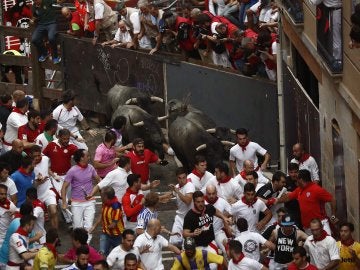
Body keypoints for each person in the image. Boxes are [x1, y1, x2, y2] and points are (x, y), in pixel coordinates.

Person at [276, 169, 337, 234]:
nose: (296, 181)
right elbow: (288, 197)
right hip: (307, 227)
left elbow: (332, 200)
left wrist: (333, 215)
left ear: (301, 180)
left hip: (321, 224)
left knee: (327, 243)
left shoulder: (317, 189)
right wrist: (274, 201)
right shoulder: (299, 190)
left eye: (297, 179)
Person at [183, 191, 231, 270]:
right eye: (198, 202)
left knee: (214, 266)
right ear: (194, 202)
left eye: (202, 201)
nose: (201, 204)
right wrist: (193, 234)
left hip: (210, 244)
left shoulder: (209, 208)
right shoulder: (189, 216)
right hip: (197, 247)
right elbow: (185, 234)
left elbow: (216, 211)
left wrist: (224, 217)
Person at [61, 149, 101, 242]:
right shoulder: (72, 171)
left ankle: (86, 247)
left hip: (90, 202)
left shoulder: (91, 168)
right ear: (82, 158)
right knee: (77, 228)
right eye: (87, 156)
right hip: (76, 203)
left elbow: (99, 180)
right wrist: (64, 202)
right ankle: (78, 247)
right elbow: (64, 187)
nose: (89, 157)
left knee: (89, 226)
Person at [43, 128, 78, 226]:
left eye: (67, 139)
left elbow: (80, 156)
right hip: (56, 177)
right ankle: (69, 220)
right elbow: (43, 157)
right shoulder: (51, 145)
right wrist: (49, 171)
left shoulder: (72, 147)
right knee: (63, 199)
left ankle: (67, 215)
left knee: (69, 199)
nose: (66, 141)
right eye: (64, 139)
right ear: (58, 137)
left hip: (68, 176)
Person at [30, 145, 58, 229]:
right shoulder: (29, 165)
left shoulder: (46, 159)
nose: (38, 157)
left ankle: (56, 237)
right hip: (36, 195)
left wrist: (53, 175)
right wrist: (38, 182)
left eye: (39, 155)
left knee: (53, 211)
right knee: (36, 219)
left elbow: (48, 169)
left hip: (47, 191)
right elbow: (30, 184)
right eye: (35, 156)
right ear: (31, 155)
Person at [90, 186, 124, 256]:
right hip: (105, 234)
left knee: (119, 255)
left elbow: (113, 225)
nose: (100, 196)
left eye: (101, 195)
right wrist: (94, 226)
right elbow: (101, 215)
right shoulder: (105, 203)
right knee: (102, 253)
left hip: (117, 236)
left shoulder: (116, 207)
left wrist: (104, 226)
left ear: (106, 196)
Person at [168, 167, 195, 247]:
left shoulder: (189, 186)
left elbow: (188, 201)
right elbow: (171, 194)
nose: (182, 180)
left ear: (186, 176)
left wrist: (177, 191)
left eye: (184, 178)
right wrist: (157, 198)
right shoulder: (177, 186)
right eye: (179, 178)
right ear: (177, 178)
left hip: (189, 219)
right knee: (174, 242)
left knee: (187, 244)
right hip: (179, 217)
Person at [204, 184, 232, 254]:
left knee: (227, 250)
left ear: (216, 193)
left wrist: (227, 216)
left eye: (213, 193)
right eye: (209, 194)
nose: (211, 196)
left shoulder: (222, 202)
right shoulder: (201, 203)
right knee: (209, 255)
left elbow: (232, 212)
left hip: (218, 232)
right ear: (206, 193)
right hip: (205, 234)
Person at [285, 163, 302, 229]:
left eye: (295, 172)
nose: (294, 174)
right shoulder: (285, 181)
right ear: (288, 172)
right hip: (290, 210)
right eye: (291, 172)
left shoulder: (302, 180)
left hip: (302, 209)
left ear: (298, 171)